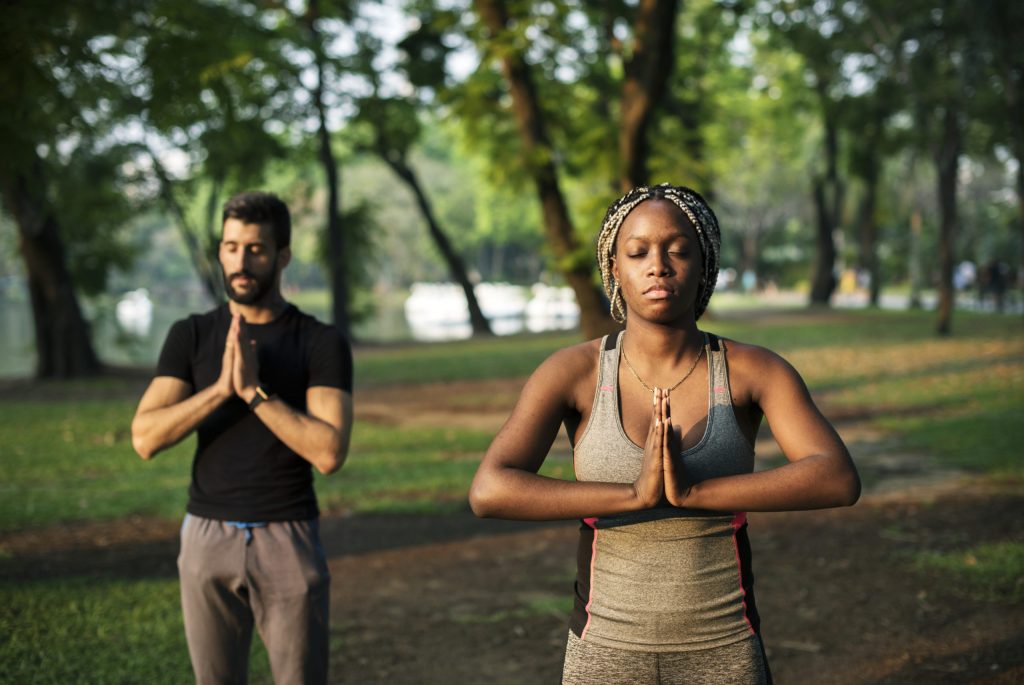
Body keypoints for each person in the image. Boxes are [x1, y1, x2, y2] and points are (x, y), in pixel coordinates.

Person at [469, 183, 860, 684]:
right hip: (604, 647)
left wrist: (697, 492)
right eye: (638, 252)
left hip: (722, 645)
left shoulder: (752, 370)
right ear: (615, 267)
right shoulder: (575, 372)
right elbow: (489, 489)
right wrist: (632, 496)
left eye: (678, 251)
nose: (658, 265)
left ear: (704, 264)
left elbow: (836, 478)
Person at [131, 191, 354, 685]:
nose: (240, 260)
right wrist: (218, 391)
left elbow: (329, 451)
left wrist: (254, 392)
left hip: (287, 536)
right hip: (206, 536)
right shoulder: (190, 335)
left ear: (282, 256)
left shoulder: (320, 342)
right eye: (231, 247)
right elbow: (145, 437)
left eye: (255, 248)